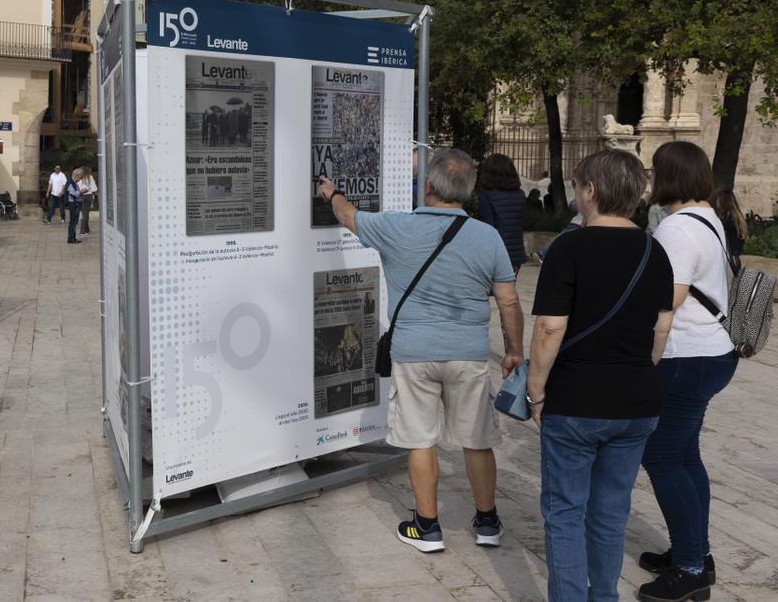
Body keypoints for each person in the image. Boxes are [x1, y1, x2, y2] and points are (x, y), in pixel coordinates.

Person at [316, 148, 525, 554]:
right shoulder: (488, 237)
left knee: (420, 440)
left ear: (428, 186)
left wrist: (332, 191)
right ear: (468, 192)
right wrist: (514, 350)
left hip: (414, 352)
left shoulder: (397, 226)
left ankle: (427, 527)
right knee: (477, 439)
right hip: (468, 352)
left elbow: (348, 215)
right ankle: (487, 522)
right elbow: (509, 302)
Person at [525, 150, 675, 602]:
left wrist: (535, 392)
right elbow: (662, 327)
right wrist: (636, 372)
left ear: (589, 190)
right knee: (611, 513)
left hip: (576, 400)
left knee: (566, 511)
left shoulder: (568, 248)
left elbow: (550, 327)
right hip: (636, 401)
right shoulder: (656, 251)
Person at [636, 142, 739, 602]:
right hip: (713, 351)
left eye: (654, 171)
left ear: (669, 175)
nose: (650, 178)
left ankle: (692, 569)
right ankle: (693, 551)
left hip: (685, 356)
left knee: (660, 457)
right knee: (684, 455)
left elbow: (669, 299)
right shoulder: (709, 216)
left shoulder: (677, 228)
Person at [476, 154, 528, 273]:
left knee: (490, 290)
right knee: (508, 288)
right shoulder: (520, 195)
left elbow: (487, 227)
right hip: (515, 255)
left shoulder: (486, 196)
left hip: (494, 254)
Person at [66, 167, 84, 244]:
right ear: (77, 175)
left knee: (74, 221)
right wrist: (81, 192)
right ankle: (71, 238)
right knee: (73, 221)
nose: (81, 178)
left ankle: (73, 237)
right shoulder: (70, 182)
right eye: (80, 176)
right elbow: (72, 193)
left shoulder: (74, 182)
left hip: (75, 203)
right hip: (73, 204)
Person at [78, 165, 97, 236]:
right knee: (86, 213)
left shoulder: (81, 178)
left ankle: (82, 231)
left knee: (84, 214)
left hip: (82, 196)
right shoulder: (90, 177)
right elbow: (94, 188)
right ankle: (87, 229)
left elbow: (78, 187)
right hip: (89, 196)